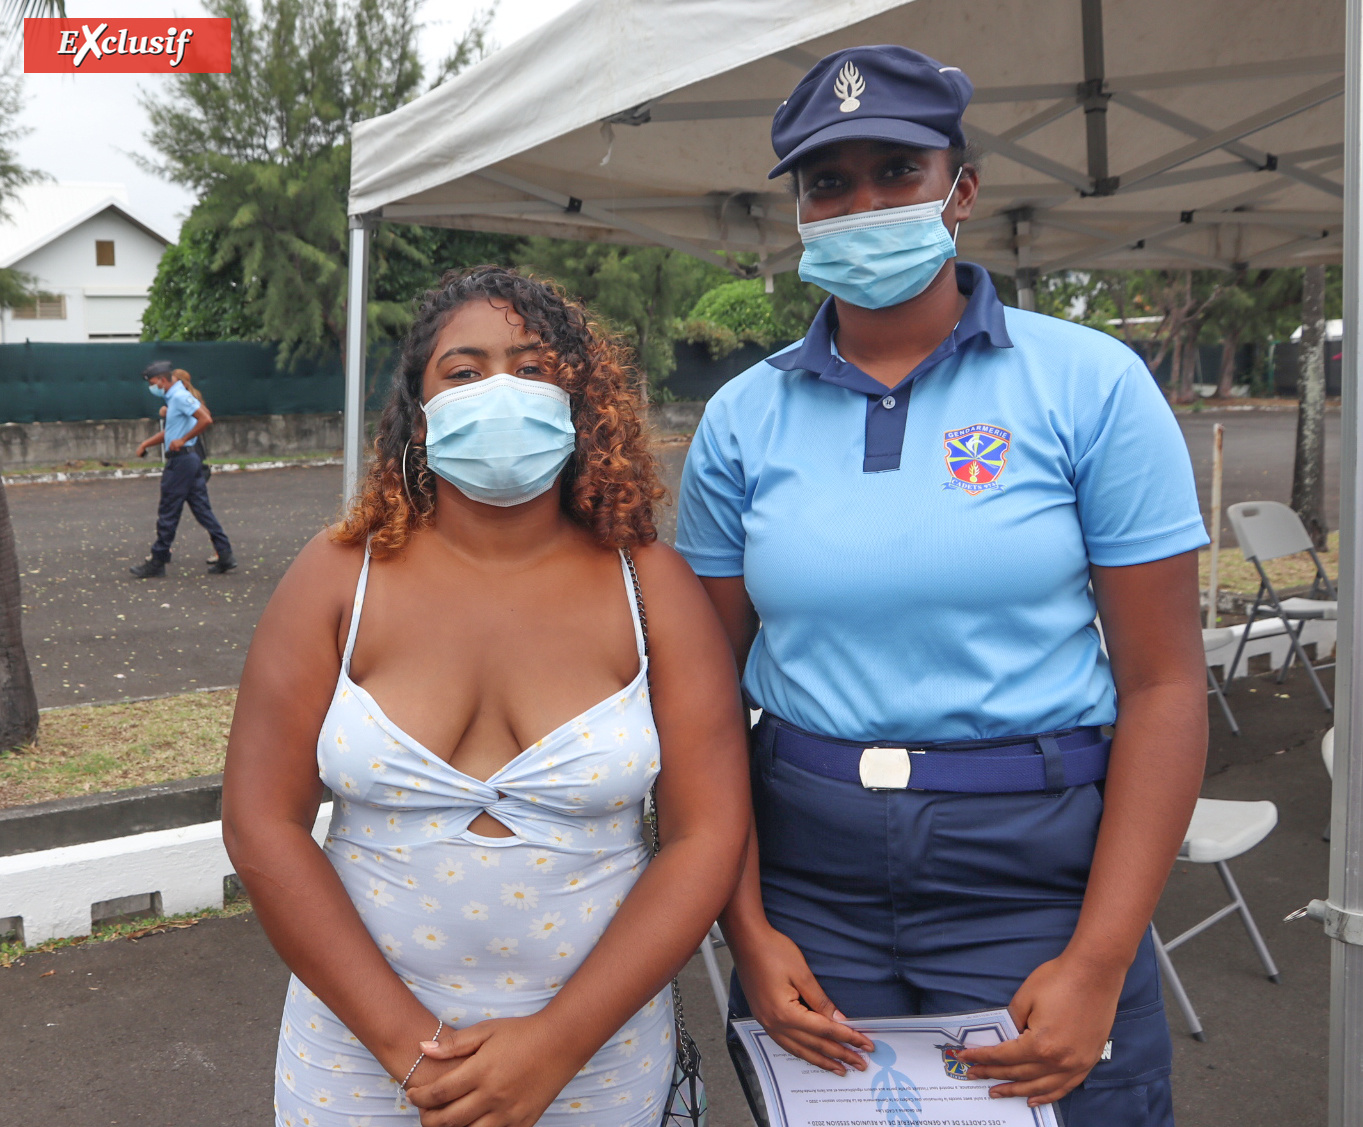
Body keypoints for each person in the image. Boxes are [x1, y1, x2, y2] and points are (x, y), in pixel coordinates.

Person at [676, 46, 1208, 1127]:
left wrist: (1100, 957)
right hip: (806, 875)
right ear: (799, 210)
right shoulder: (742, 417)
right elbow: (699, 704)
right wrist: (747, 927)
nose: (862, 203)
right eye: (829, 183)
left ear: (959, 190)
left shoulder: (1089, 383)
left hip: (1033, 872)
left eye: (896, 171)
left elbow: (1163, 685)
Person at [222, 266, 750, 1127]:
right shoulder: (333, 579)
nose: (498, 389)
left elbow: (707, 834)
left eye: (532, 367)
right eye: (463, 372)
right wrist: (407, 1048)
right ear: (418, 416)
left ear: (579, 401)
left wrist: (554, 1045)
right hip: (357, 1060)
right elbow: (260, 823)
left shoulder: (653, 586)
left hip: (597, 1056)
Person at [130, 361, 236, 577]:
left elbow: (205, 419)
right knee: (202, 510)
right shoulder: (176, 397)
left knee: (168, 510)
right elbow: (171, 433)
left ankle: (157, 561)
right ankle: (224, 554)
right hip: (189, 460)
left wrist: (184, 439)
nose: (152, 388)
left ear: (162, 379)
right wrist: (145, 444)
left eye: (153, 383)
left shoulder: (178, 397)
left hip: (181, 463)